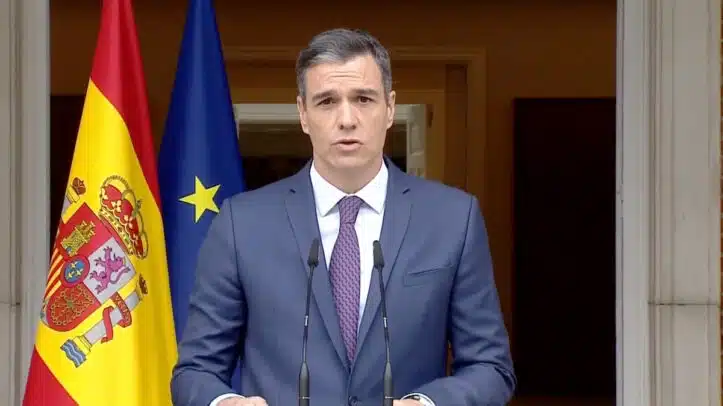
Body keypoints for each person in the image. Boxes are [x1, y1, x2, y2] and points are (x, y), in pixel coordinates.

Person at [170, 28, 516, 406]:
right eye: (327, 101)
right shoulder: (241, 224)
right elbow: (195, 370)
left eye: (363, 99)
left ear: (390, 108)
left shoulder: (453, 219)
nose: (347, 119)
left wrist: (428, 403)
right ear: (303, 114)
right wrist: (224, 402)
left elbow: (490, 367)